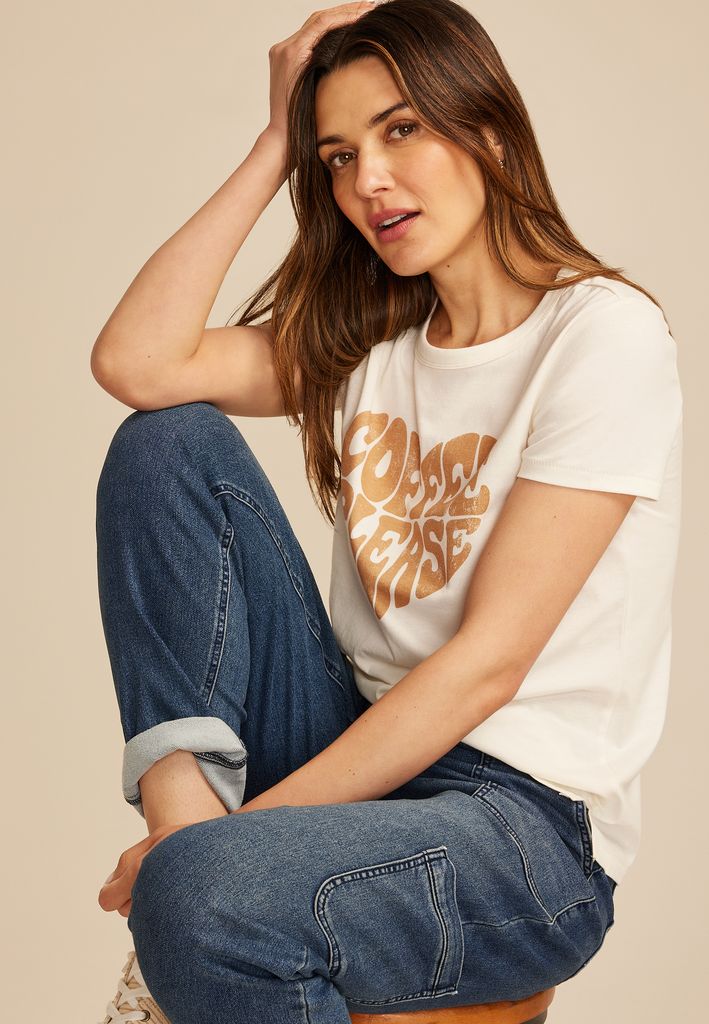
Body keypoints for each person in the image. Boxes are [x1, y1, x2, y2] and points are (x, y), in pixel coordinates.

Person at [91, 1, 683, 1022]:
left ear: (487, 127)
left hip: (523, 828)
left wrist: (217, 858)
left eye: (400, 129)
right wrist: (273, 146)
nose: (367, 179)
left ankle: (191, 889)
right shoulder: (372, 341)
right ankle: (182, 876)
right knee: (164, 442)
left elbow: (487, 665)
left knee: (205, 889)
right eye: (337, 155)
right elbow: (138, 363)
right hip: (357, 749)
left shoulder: (601, 336)